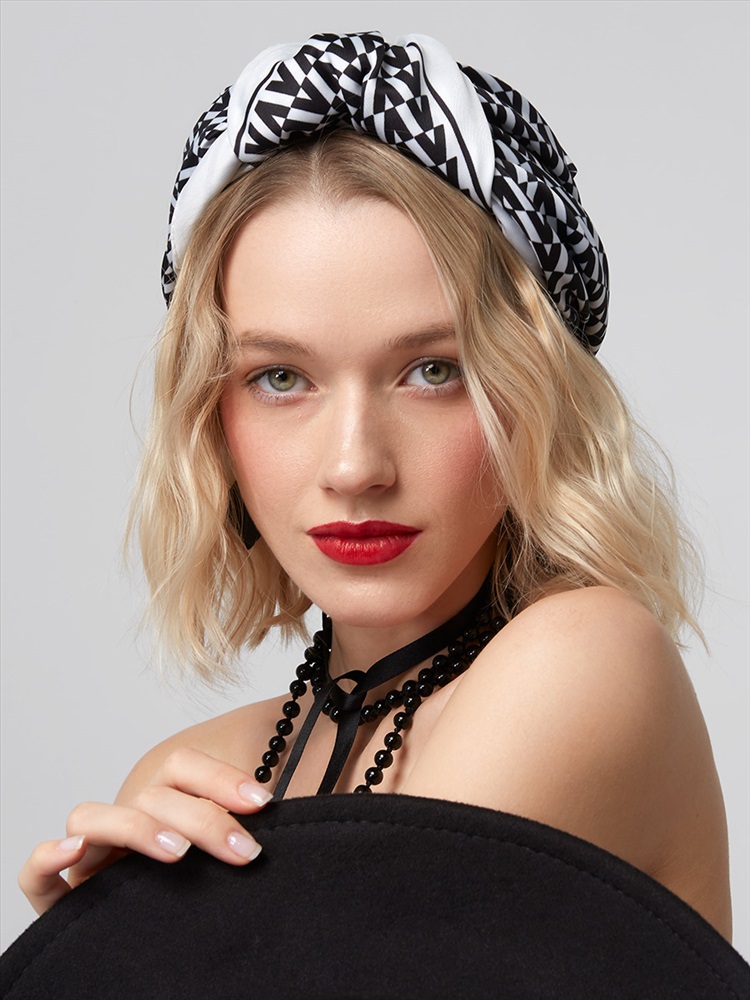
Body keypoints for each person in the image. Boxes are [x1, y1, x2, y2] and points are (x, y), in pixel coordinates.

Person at [15, 30, 733, 945]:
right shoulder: (198, 770)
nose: (355, 466)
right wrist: (79, 954)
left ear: (536, 396)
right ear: (213, 417)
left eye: (434, 371)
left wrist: (139, 952)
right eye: (281, 378)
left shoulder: (587, 661)